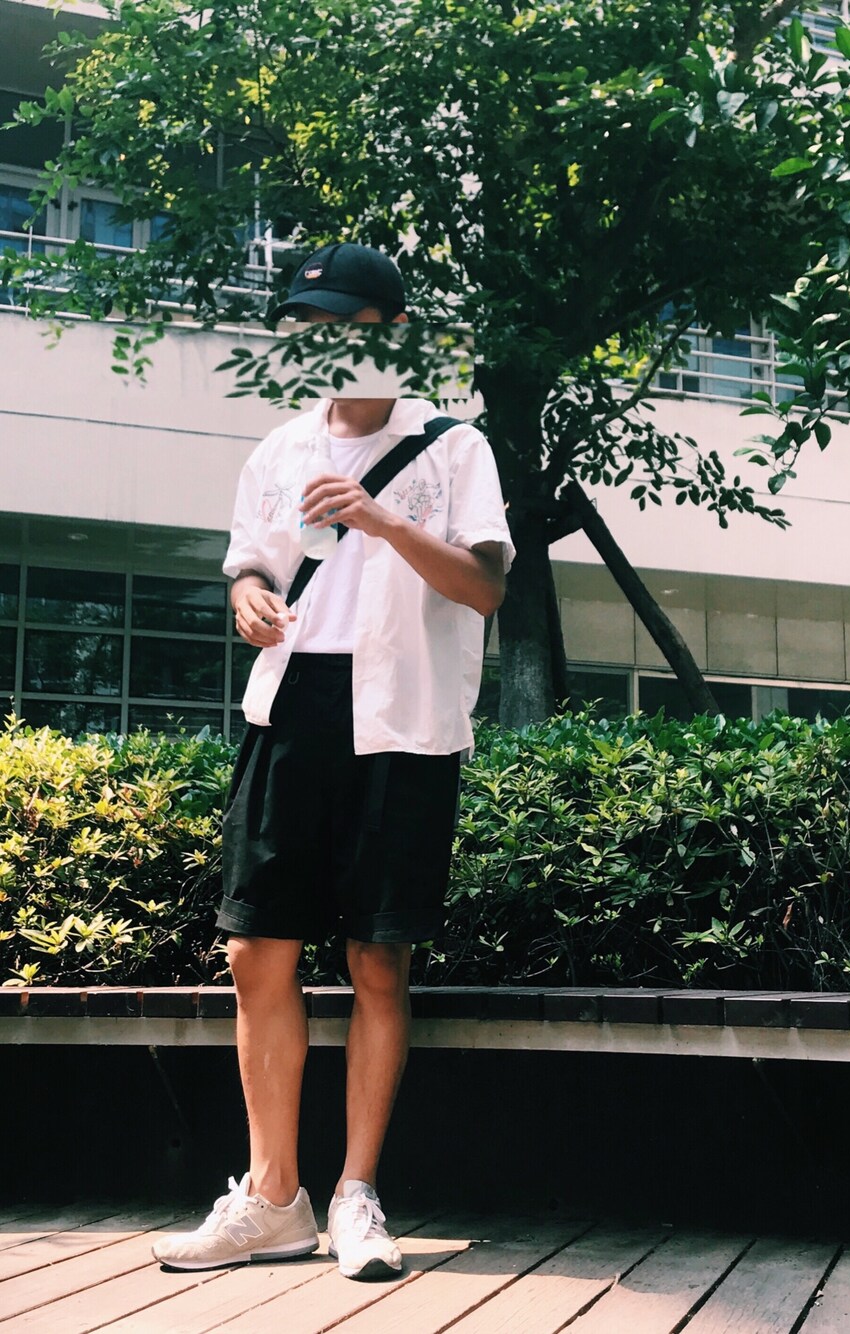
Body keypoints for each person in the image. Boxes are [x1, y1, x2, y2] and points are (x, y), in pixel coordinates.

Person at [153, 242, 514, 1279]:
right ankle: (273, 1197)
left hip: (401, 717)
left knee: (375, 956)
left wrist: (382, 518)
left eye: (349, 324)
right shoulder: (279, 448)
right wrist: (249, 602)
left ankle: (357, 1194)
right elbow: (252, 568)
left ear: (393, 332)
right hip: (294, 704)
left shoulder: (453, 447)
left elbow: (485, 588)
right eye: (311, 326)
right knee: (255, 950)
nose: (328, 342)